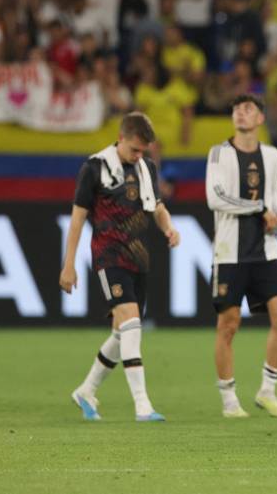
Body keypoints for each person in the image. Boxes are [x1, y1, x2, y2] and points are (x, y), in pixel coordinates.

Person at [61, 112, 179, 422]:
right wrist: (68, 265)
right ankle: (143, 405)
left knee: (121, 332)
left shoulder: (146, 167)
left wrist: (169, 228)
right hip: (108, 256)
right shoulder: (94, 168)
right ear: (121, 136)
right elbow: (77, 218)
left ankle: (86, 390)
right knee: (131, 324)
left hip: (139, 258)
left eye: (143, 151)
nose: (139, 156)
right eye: (135, 149)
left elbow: (158, 207)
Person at [206, 94, 277, 419]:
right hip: (230, 254)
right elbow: (215, 198)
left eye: (248, 109)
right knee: (228, 324)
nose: (241, 114)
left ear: (260, 119)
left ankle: (267, 390)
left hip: (265, 251)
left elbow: (276, 191)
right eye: (236, 109)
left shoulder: (270, 155)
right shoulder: (219, 153)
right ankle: (229, 398)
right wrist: (260, 209)